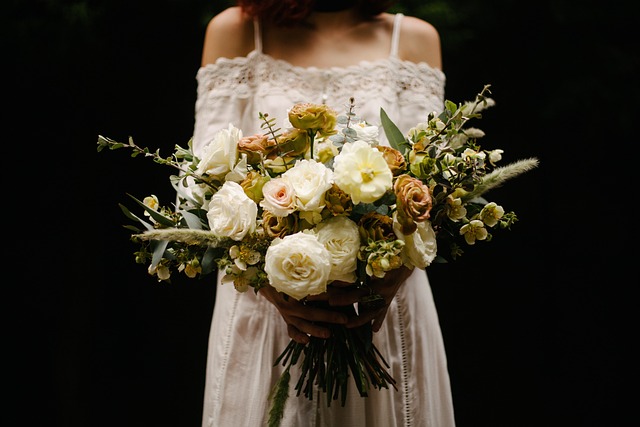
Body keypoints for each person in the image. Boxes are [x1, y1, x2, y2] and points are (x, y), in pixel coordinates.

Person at [193, 1, 455, 425]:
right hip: (265, 313)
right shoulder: (238, 31)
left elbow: (433, 184)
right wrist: (268, 282)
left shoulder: (413, 39)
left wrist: (392, 277)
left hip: (380, 312)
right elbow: (205, 180)